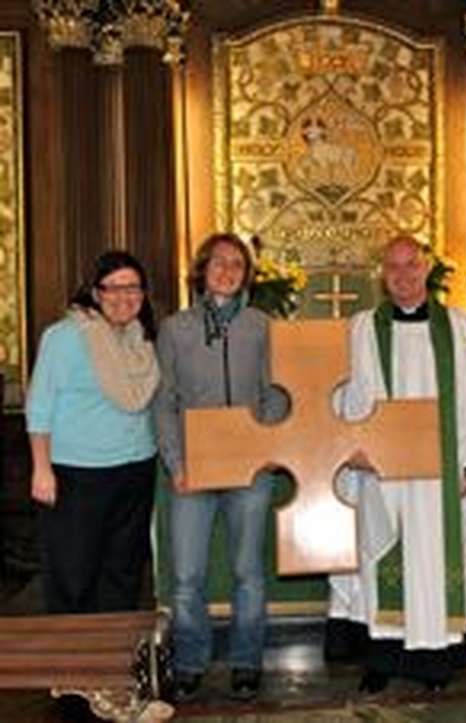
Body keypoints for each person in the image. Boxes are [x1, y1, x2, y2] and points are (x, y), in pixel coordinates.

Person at [327, 235, 466, 692]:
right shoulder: (362, 327)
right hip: (382, 473)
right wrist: (352, 447)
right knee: (382, 556)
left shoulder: (456, 326)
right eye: (393, 267)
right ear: (383, 274)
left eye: (411, 265)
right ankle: (381, 660)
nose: (402, 275)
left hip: (441, 473)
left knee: (436, 563)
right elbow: (348, 393)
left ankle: (435, 664)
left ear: (426, 269)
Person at [154, 233, 287, 704]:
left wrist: (264, 441)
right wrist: (176, 462)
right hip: (193, 469)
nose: (228, 270)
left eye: (237, 264)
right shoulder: (176, 329)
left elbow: (275, 391)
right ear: (202, 270)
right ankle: (190, 662)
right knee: (187, 575)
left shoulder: (261, 326)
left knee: (248, 571)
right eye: (219, 263)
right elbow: (164, 402)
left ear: (247, 273)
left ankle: (247, 662)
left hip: (250, 470)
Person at [26, 250, 159, 614]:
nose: (123, 296)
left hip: (136, 469)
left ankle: (113, 660)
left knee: (124, 574)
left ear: (144, 294)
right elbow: (39, 405)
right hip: (78, 475)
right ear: (96, 294)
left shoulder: (143, 339)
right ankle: (75, 663)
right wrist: (41, 469)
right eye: (112, 288)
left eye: (132, 287)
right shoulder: (66, 336)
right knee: (73, 577)